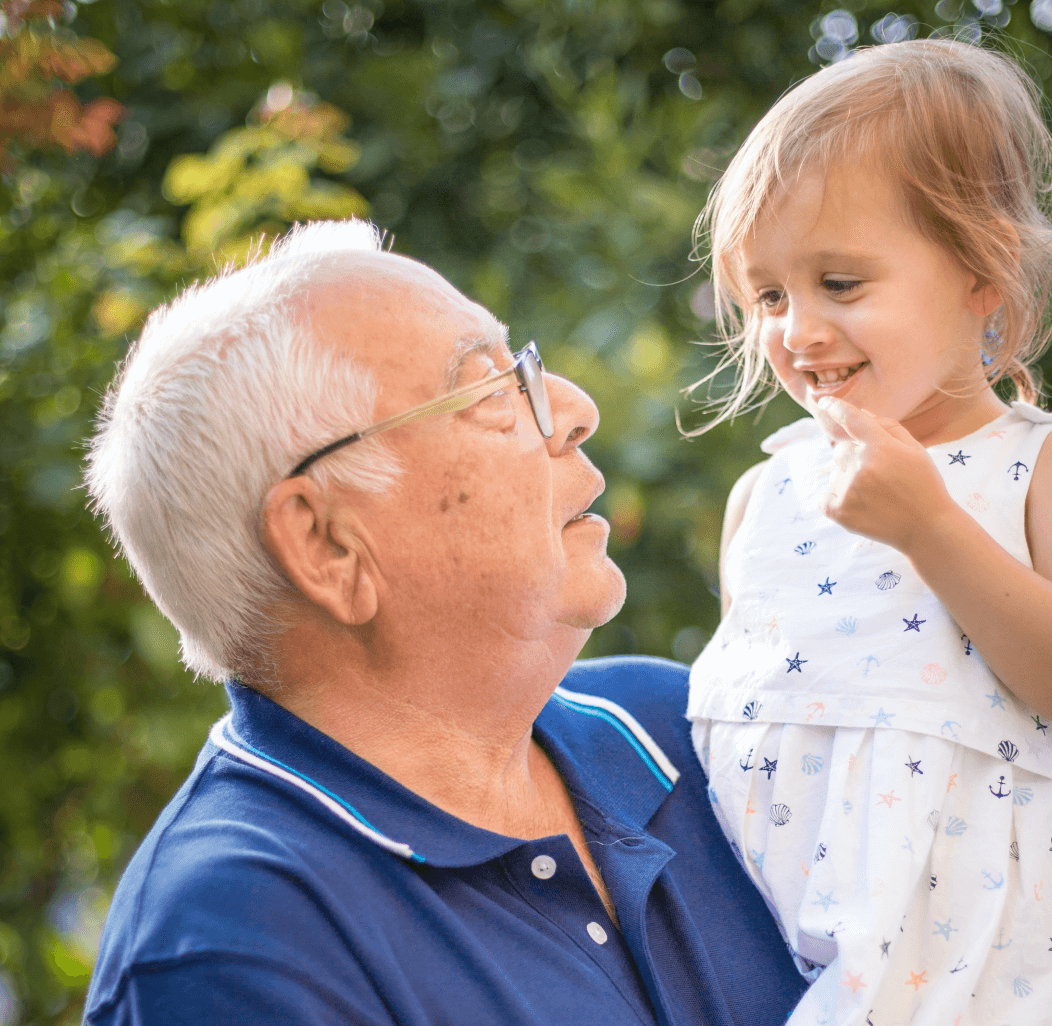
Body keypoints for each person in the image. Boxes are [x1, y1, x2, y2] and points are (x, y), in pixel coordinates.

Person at [81, 221, 806, 1025]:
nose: (574, 410)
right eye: (492, 391)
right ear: (326, 544)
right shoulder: (230, 945)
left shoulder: (689, 729)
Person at [685, 39, 1052, 1025]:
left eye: (841, 285)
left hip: (994, 968)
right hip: (788, 956)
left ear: (982, 274)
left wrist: (931, 526)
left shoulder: (1044, 466)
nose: (797, 330)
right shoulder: (766, 497)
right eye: (769, 295)